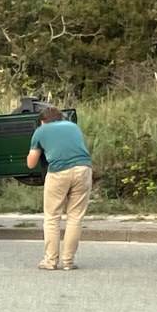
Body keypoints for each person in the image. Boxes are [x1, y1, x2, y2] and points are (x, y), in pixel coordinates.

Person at [27, 107, 93, 271]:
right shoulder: (73, 126)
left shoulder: (40, 131)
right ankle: (68, 261)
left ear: (43, 121)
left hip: (59, 172)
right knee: (75, 217)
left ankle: (50, 261)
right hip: (83, 169)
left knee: (52, 217)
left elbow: (31, 163)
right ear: (61, 118)